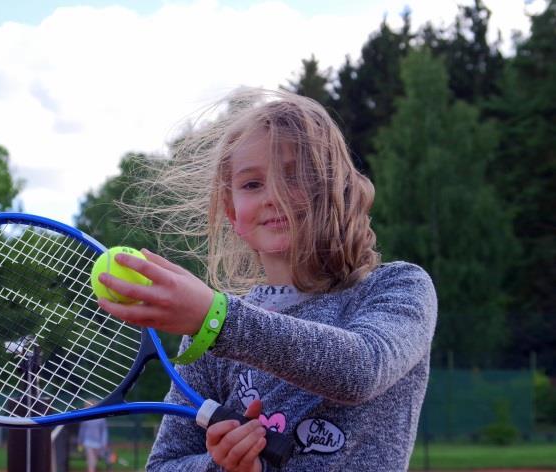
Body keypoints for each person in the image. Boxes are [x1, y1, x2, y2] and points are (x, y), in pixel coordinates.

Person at [97, 89, 437, 471]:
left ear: (337, 187)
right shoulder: (208, 333)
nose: (273, 196)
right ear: (232, 211)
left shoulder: (398, 287)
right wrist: (221, 466)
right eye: (252, 184)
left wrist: (216, 318)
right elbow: (163, 465)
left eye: (293, 176)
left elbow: (361, 369)